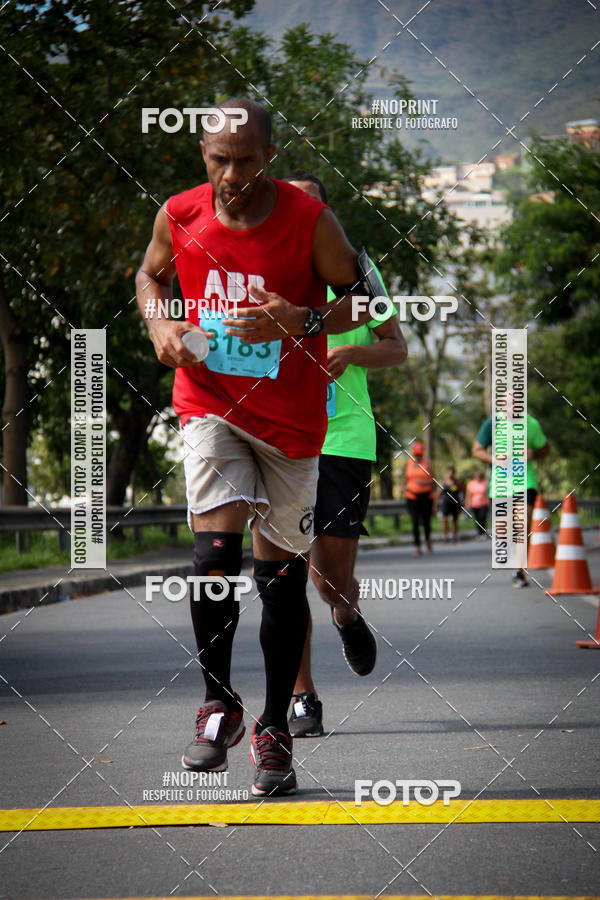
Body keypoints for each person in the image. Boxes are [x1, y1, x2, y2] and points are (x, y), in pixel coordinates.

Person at [135, 99, 374, 796]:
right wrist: (160, 326)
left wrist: (303, 318)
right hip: (209, 400)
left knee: (279, 578)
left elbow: (363, 302)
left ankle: (274, 726)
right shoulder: (179, 214)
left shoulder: (310, 223)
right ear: (202, 154)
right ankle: (218, 705)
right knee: (212, 554)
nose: (230, 174)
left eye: (244, 160)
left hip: (292, 422)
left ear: (269, 155)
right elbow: (150, 276)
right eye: (218, 160)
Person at [280, 172, 407, 738]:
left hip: (343, 441)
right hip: (279, 439)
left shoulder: (357, 270)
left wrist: (354, 348)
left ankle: (346, 611)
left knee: (329, 579)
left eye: (310, 205)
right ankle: (303, 696)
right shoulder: (259, 267)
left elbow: (396, 348)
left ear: (324, 215)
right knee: (282, 573)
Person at [472, 411, 549, 587]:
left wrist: (534, 454)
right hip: (500, 484)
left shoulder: (531, 423)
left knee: (522, 523)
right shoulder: (492, 423)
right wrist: (493, 459)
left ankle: (518, 571)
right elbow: (476, 450)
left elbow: (545, 449)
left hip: (525, 481)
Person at [403, 440, 435, 556]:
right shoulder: (409, 463)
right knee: (415, 521)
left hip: (426, 497)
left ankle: (427, 540)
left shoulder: (428, 464)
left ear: (423, 453)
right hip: (411, 496)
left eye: (419, 454)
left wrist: (424, 483)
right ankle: (417, 547)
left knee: (426, 521)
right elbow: (405, 479)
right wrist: (403, 489)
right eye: (416, 454)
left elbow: (434, 481)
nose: (418, 456)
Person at [436, 465, 463, 542]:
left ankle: (454, 536)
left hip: (455, 503)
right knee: (445, 520)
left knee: (455, 521)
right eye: (449, 471)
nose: (450, 473)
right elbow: (438, 494)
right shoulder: (443, 482)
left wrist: (462, 502)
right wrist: (435, 504)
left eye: (452, 472)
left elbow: (462, 492)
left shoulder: (457, 482)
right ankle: (445, 536)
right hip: (446, 503)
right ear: (447, 472)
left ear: (454, 472)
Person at [465, 470, 490, 539]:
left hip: (483, 504)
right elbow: (468, 495)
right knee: (477, 519)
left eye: (479, 475)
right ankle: (479, 533)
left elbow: (488, 493)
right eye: (476, 476)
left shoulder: (485, 483)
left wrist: (489, 503)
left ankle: (483, 533)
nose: (478, 477)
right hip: (474, 504)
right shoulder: (471, 483)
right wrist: (467, 504)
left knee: (483, 518)